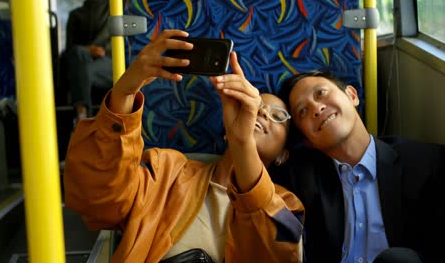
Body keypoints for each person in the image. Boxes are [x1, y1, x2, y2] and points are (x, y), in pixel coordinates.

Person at [63, 29, 305, 263]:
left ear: (283, 155)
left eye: (278, 116)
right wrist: (125, 92)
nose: (262, 112)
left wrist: (243, 143)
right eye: (255, 106)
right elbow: (96, 200)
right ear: (225, 133)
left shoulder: (287, 206)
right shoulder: (167, 171)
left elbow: (280, 256)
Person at [273, 69, 445, 263]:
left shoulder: (425, 163)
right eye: (302, 111)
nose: (316, 108)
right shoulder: (299, 178)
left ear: (352, 95)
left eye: (320, 93)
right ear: (306, 140)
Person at [60, 0, 112, 125]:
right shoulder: (75, 15)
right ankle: (82, 113)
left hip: (110, 64)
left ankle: (81, 115)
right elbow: (69, 51)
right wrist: (87, 50)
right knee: (78, 56)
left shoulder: (116, 8)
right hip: (83, 64)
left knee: (81, 67)